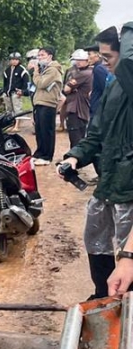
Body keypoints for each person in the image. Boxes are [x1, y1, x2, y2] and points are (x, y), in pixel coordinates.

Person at [60, 24, 133, 299]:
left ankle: (125, 301)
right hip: (110, 180)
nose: (103, 64)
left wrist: (127, 27)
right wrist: (76, 156)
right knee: (96, 237)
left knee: (128, 252)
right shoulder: (113, 87)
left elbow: (127, 58)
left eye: (107, 58)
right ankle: (102, 294)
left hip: (129, 187)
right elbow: (98, 133)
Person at [29, 46, 64, 165]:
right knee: (39, 130)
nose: (39, 58)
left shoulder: (53, 70)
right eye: (38, 55)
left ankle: (46, 156)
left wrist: (35, 71)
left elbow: (41, 83)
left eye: (42, 55)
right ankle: (39, 153)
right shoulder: (44, 68)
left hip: (48, 104)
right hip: (40, 102)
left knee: (46, 131)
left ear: (50, 56)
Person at [62, 49, 93, 149]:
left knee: (75, 138)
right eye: (77, 60)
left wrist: (70, 88)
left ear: (87, 60)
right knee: (80, 136)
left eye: (81, 60)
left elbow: (66, 89)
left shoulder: (82, 74)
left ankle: (74, 161)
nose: (78, 62)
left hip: (77, 108)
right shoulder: (91, 71)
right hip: (84, 108)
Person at [2, 53, 31, 128]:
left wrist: (23, 91)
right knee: (9, 110)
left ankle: (17, 125)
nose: (14, 61)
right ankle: (11, 124)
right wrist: (4, 91)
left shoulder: (22, 70)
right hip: (7, 93)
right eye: (12, 59)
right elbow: (5, 83)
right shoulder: (7, 70)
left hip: (16, 93)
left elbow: (26, 82)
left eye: (16, 59)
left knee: (17, 109)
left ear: (19, 60)